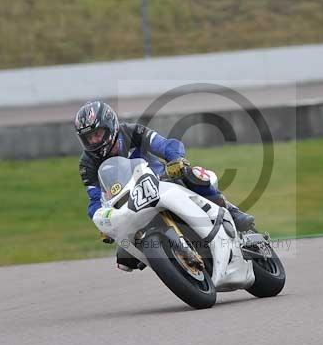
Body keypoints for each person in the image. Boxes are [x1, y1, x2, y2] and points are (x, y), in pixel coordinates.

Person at [74, 100, 255, 270]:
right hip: (129, 203)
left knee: (192, 175)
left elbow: (165, 144)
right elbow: (95, 199)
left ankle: (232, 211)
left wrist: (176, 159)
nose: (94, 141)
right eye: (88, 138)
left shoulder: (132, 132)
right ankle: (170, 262)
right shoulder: (87, 164)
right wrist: (103, 223)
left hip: (161, 180)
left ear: (110, 125)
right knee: (124, 258)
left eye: (97, 134)